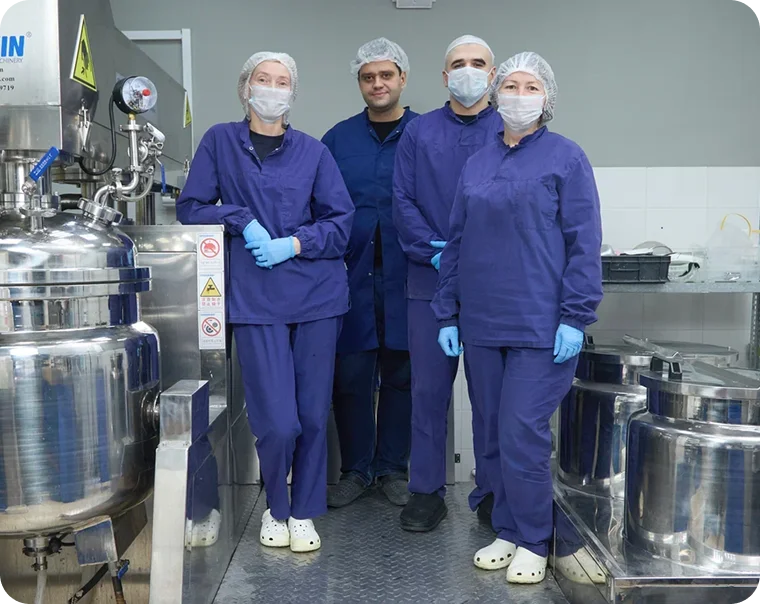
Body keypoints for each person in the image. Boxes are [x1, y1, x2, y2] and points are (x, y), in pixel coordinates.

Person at [432, 51, 603, 583]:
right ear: (495, 93)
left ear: (547, 98)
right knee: (490, 434)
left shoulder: (566, 158)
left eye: (531, 87)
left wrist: (576, 315)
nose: (519, 96)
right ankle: (507, 528)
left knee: (521, 432)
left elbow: (584, 243)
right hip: (483, 323)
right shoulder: (478, 163)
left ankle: (535, 538)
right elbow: (456, 241)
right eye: (511, 86)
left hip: (540, 325)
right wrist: (447, 312)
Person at [176, 52, 354, 553]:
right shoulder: (219, 142)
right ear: (245, 87)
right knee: (277, 422)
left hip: (318, 299)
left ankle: (304, 512)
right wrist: (241, 219)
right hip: (255, 301)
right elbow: (190, 207)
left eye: (282, 81)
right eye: (263, 79)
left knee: (313, 416)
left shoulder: (314, 152)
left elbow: (341, 223)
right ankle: (277, 507)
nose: (272, 88)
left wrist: (293, 243)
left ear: (292, 93)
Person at [392, 35, 502, 533]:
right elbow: (403, 201)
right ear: (444, 76)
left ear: (493, 75)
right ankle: (425, 492)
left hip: (490, 286)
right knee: (428, 392)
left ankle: (492, 491)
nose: (467, 71)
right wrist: (436, 251)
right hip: (429, 281)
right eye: (458, 63)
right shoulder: (419, 133)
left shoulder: (507, 131)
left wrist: (476, 257)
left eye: (478, 63)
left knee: (490, 396)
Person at [322, 38, 418, 508]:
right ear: (359, 83)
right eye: (368, 77)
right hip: (350, 275)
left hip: (410, 276)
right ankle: (356, 470)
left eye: (386, 75)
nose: (377, 84)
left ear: (402, 79)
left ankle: (393, 469)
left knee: (403, 375)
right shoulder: (337, 140)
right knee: (351, 376)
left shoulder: (425, 134)